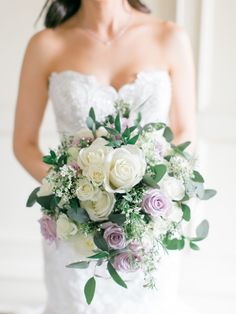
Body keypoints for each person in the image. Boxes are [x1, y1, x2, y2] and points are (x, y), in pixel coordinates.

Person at [13, 1, 197, 313]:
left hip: (149, 232)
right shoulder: (46, 45)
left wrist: (149, 196)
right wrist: (75, 196)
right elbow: (24, 143)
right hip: (76, 232)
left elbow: (184, 133)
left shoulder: (169, 37)